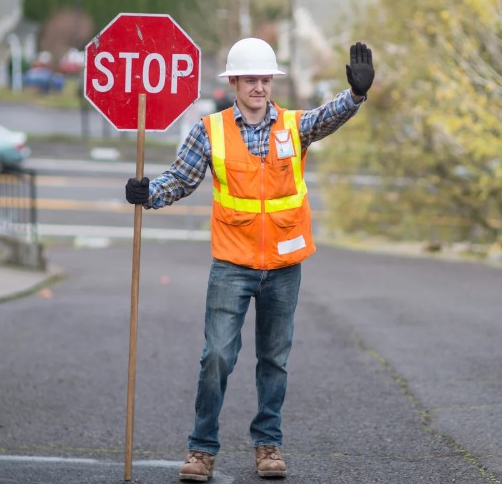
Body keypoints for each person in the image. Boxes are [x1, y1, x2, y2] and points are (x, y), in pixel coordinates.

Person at [125, 37, 375, 482]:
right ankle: (201, 450)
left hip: (283, 266)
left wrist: (355, 95)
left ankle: (268, 445)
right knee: (217, 356)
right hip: (233, 264)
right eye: (251, 79)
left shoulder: (294, 127)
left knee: (274, 360)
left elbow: (327, 117)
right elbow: (181, 179)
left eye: (265, 79)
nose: (259, 87)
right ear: (234, 81)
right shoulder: (211, 129)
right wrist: (150, 193)